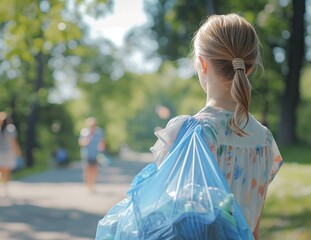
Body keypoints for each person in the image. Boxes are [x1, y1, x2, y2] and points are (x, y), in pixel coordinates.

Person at [96, 14, 283, 240]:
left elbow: (163, 213)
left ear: (202, 63)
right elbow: (253, 230)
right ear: (250, 68)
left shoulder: (189, 132)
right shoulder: (264, 140)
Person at [0, 111, 21, 197]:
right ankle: (5, 190)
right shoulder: (11, 129)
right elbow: (13, 142)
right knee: (6, 172)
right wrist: (17, 151)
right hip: (7, 153)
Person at [79, 117, 105, 192]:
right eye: (91, 125)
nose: (92, 127)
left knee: (94, 170)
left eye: (93, 125)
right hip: (86, 154)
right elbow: (81, 143)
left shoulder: (99, 132)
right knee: (87, 170)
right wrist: (86, 139)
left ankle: (93, 184)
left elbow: (102, 142)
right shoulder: (84, 132)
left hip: (96, 154)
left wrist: (101, 146)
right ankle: (88, 184)